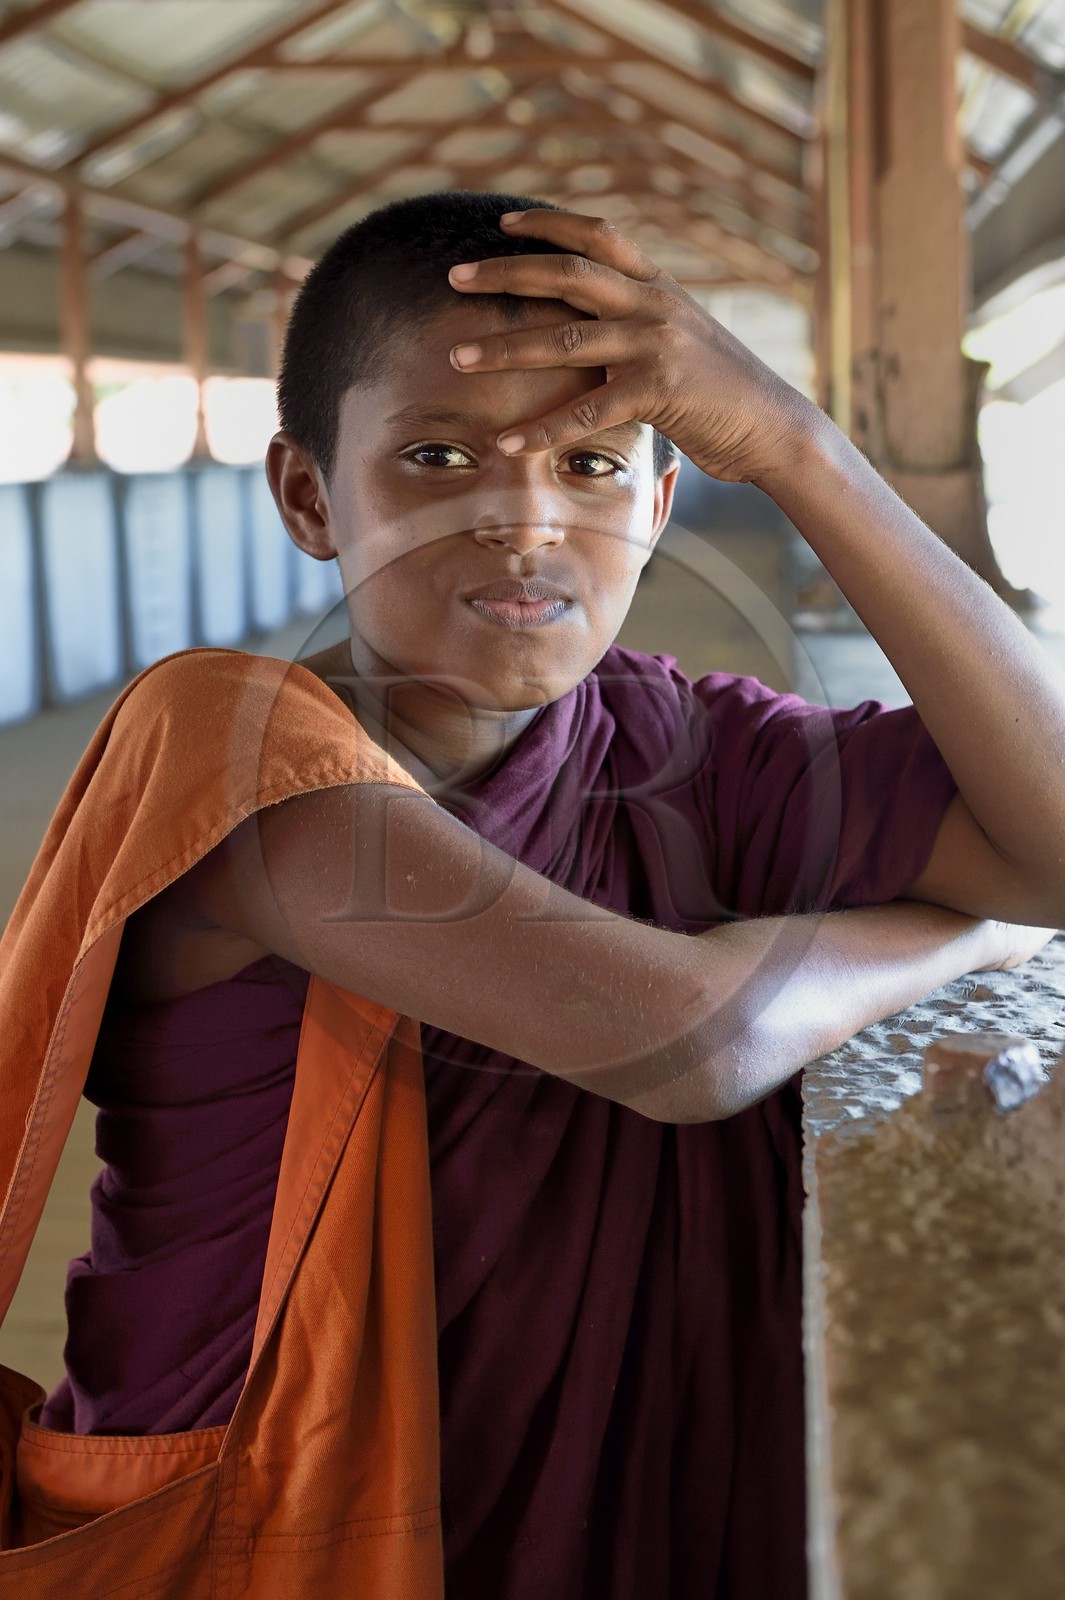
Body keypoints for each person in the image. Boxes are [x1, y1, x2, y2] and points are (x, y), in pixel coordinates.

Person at [30, 189, 1063, 1599]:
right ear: (309, 497)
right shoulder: (226, 745)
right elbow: (688, 1042)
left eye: (587, 464)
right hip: (293, 1511)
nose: (523, 519)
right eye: (437, 457)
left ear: (658, 503)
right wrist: (963, 934)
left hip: (640, 1499)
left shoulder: (691, 746)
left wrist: (801, 451)